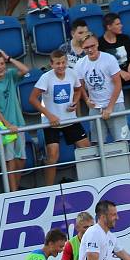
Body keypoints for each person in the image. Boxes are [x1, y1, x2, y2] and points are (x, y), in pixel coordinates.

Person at [30, 50, 90, 186]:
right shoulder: (46, 77)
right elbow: (32, 99)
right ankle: (49, 188)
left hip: (70, 119)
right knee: (52, 154)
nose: (61, 66)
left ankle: (90, 181)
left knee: (86, 148)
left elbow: (78, 90)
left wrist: (75, 102)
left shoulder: (72, 73)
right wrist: (49, 115)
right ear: (51, 64)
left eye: (63, 62)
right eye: (58, 63)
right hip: (52, 123)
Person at [0, 50, 29, 192]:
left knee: (21, 159)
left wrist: (8, 57)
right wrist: (6, 125)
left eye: (2, 64)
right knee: (10, 161)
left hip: (18, 122)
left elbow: (25, 69)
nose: (0, 67)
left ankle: (14, 187)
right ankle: (13, 193)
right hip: (4, 127)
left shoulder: (10, 75)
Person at [74, 34, 129, 144]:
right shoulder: (80, 64)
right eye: (86, 47)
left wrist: (110, 107)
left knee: (122, 141)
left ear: (97, 44)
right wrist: (86, 99)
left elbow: (118, 84)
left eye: (92, 46)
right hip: (95, 106)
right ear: (82, 48)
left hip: (115, 103)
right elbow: (80, 85)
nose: (90, 50)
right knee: (96, 143)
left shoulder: (109, 59)